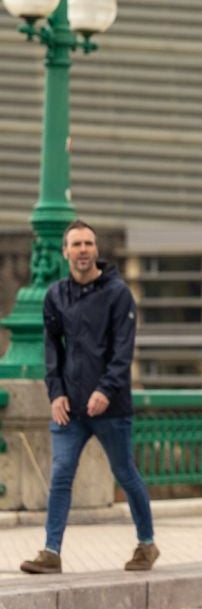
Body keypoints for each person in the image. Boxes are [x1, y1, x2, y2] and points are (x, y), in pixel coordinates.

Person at [20, 220, 159, 575]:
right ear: (65, 251)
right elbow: (52, 349)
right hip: (70, 409)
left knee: (125, 473)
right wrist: (55, 394)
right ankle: (51, 552)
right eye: (76, 244)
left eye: (88, 243)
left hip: (111, 407)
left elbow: (122, 351)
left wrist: (105, 390)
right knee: (61, 474)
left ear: (96, 250)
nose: (82, 250)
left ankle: (146, 545)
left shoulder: (118, 294)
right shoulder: (55, 295)